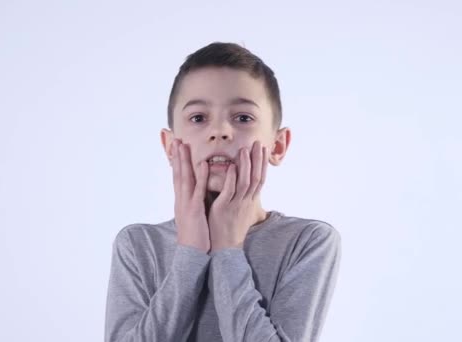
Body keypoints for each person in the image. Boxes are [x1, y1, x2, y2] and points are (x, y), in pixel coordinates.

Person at [104, 41, 342, 342]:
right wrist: (189, 252)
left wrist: (228, 248)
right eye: (198, 118)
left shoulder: (307, 242)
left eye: (243, 118)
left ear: (278, 146)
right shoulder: (139, 245)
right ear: (169, 146)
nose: (220, 132)